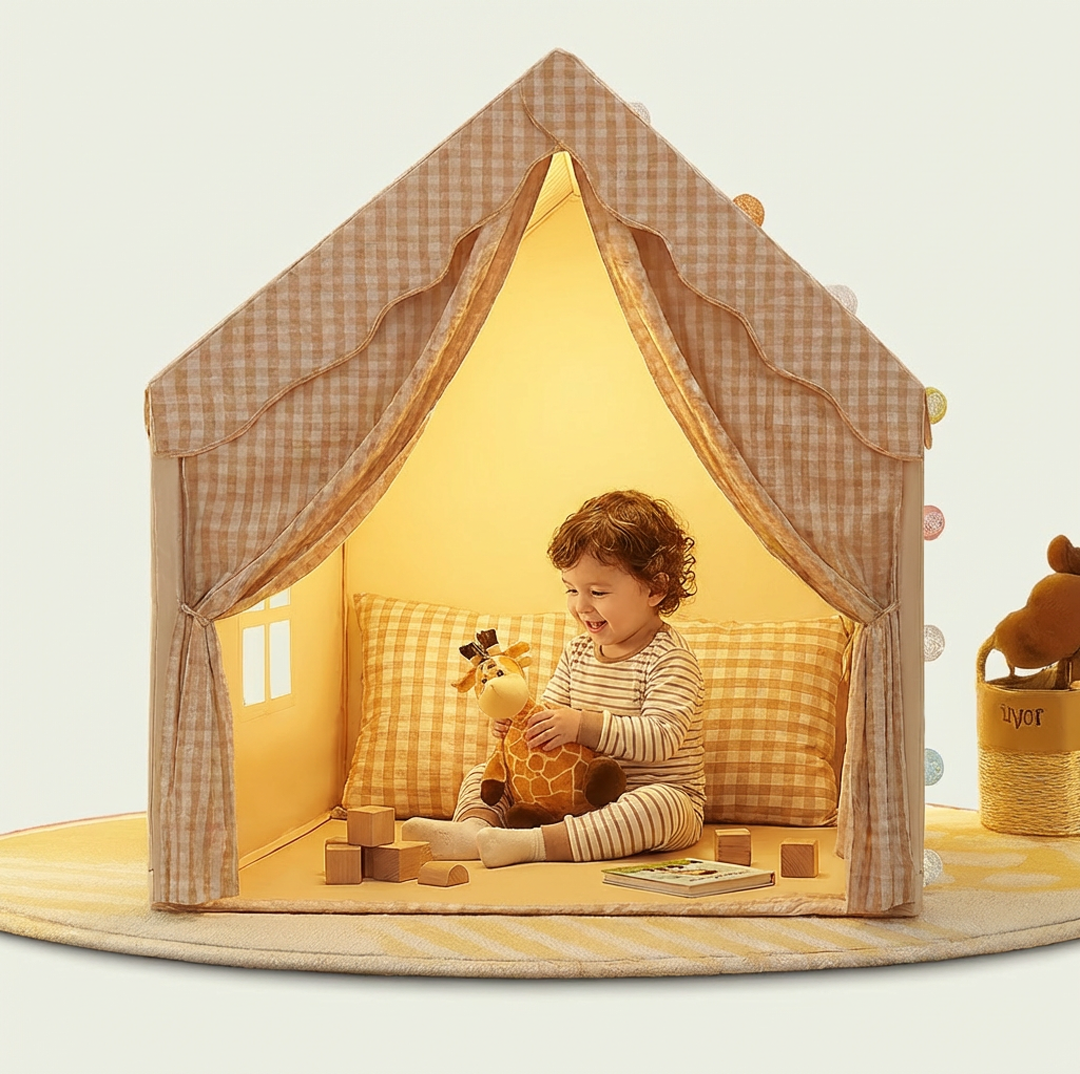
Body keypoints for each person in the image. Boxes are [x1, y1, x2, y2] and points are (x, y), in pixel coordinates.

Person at [402, 489, 704, 868]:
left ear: (655, 589)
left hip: (647, 796)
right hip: (570, 794)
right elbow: (549, 717)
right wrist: (520, 725)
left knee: (661, 805)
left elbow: (662, 738)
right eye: (571, 590)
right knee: (485, 774)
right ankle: (473, 831)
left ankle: (534, 844)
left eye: (598, 592)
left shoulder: (670, 658)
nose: (581, 605)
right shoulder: (577, 652)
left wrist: (581, 725)